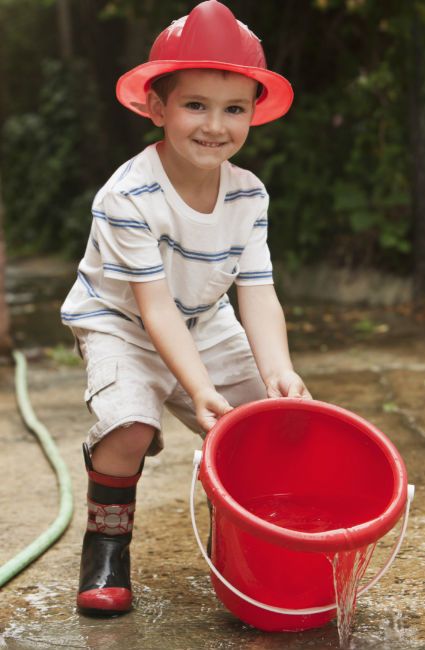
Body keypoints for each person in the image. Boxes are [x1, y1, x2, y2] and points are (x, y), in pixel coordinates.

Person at [60, 0, 311, 616]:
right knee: (130, 427)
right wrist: (197, 390)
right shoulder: (128, 195)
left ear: (255, 113)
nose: (214, 126)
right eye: (195, 105)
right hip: (121, 325)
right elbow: (153, 310)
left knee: (274, 421)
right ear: (157, 108)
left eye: (234, 109)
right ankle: (107, 549)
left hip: (204, 318)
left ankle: (254, 548)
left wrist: (278, 368)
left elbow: (256, 290)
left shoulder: (249, 193)